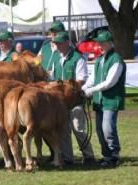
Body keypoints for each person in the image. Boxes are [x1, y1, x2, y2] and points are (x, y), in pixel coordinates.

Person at [50, 31, 95, 166]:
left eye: (59, 43)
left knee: (78, 128)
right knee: (63, 130)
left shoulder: (78, 58)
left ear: (67, 43)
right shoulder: (56, 59)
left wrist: (63, 86)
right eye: (56, 43)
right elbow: (52, 78)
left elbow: (81, 80)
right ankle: (68, 157)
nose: (57, 46)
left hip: (75, 100)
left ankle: (89, 156)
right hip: (60, 103)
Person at [82, 31, 126, 168]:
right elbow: (93, 78)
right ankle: (106, 156)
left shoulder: (116, 60)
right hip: (99, 100)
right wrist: (83, 88)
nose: (99, 45)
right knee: (100, 130)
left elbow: (109, 82)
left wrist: (91, 91)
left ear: (110, 43)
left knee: (108, 128)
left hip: (111, 99)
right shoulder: (99, 60)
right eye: (98, 43)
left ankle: (114, 155)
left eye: (102, 43)